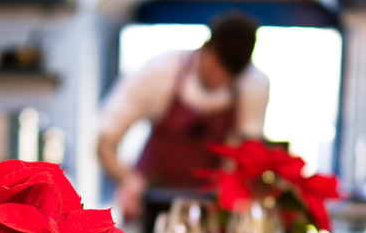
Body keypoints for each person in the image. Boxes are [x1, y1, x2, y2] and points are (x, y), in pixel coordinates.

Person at [97, 11, 270, 221]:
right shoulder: (161, 70)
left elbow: (245, 154)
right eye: (216, 68)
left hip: (208, 205)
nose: (219, 81)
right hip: (151, 195)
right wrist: (129, 181)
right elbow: (104, 142)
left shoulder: (254, 86)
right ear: (206, 48)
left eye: (228, 78)